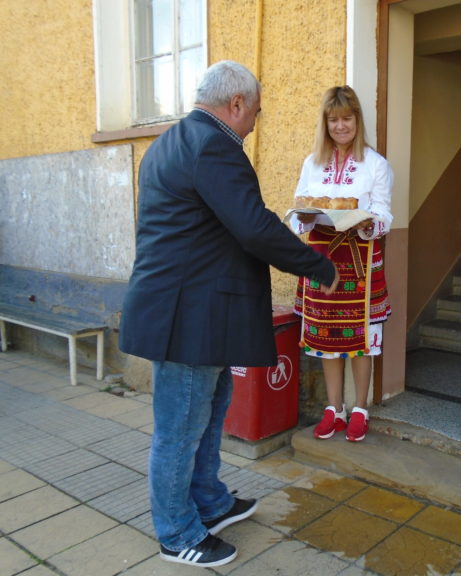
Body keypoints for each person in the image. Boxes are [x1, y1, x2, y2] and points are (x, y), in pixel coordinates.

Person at [119, 61, 339, 568]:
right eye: (256, 112)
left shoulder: (170, 143)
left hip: (192, 311)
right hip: (187, 317)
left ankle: (210, 502)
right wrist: (314, 265)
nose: (256, 122)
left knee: (210, 409)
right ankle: (176, 531)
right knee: (180, 428)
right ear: (236, 104)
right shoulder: (214, 144)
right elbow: (254, 226)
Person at [286, 85, 394, 443]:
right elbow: (299, 211)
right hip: (321, 260)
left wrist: (368, 223)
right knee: (325, 339)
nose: (340, 126)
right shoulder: (312, 163)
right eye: (333, 119)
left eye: (346, 118)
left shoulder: (376, 165)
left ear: (357, 120)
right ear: (325, 122)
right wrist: (301, 219)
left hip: (360, 259)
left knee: (362, 340)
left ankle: (360, 407)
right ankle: (334, 409)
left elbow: (384, 215)